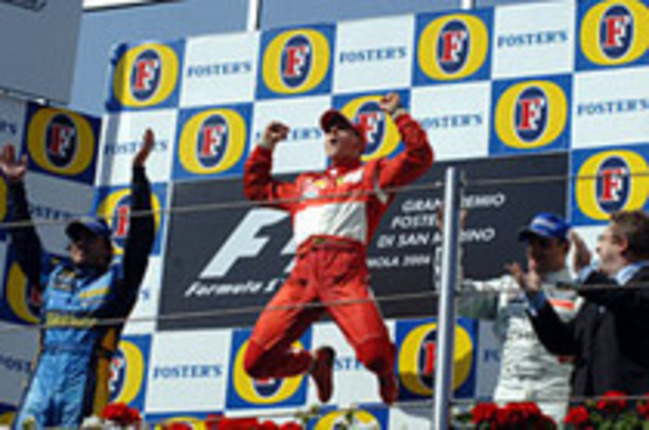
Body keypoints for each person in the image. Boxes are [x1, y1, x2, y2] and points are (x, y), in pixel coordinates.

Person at [242, 92, 433, 404]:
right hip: (302, 276)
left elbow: (419, 155)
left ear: (360, 143)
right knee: (254, 364)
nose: (331, 133)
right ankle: (313, 364)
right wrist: (265, 145)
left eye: (341, 129)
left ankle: (386, 370)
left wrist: (398, 114)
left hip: (344, 274)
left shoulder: (372, 174)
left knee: (374, 357)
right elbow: (256, 189)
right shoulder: (305, 183)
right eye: (328, 130)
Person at [3, 129, 156, 429]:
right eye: (76, 238)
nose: (80, 243)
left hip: (86, 381)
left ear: (107, 248)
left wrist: (138, 174)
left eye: (89, 237)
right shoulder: (53, 276)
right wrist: (15, 187)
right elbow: (24, 242)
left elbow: (141, 240)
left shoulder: (118, 281)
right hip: (42, 381)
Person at [458, 212, 580, 423]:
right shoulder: (509, 286)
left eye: (544, 244)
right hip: (509, 394)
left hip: (554, 398)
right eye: (530, 243)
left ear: (565, 248)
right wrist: (450, 240)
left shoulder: (578, 292)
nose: (534, 251)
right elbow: (457, 298)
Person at [514, 210, 649, 398]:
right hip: (587, 409)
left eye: (602, 240)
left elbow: (626, 301)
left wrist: (585, 273)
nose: (597, 249)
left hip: (631, 410)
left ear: (621, 244)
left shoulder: (638, 285)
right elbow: (565, 343)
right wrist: (537, 299)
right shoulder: (598, 293)